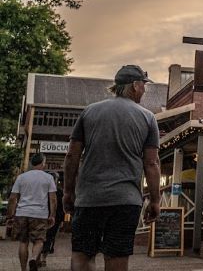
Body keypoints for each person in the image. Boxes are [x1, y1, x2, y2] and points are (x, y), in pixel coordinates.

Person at [63, 64, 162, 271]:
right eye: (144, 85)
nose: (144, 90)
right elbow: (151, 163)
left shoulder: (89, 112)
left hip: (89, 198)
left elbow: (72, 155)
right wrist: (155, 200)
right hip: (126, 202)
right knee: (116, 257)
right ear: (135, 86)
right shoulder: (147, 118)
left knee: (82, 254)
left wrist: (68, 192)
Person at [5, 153, 56, 271]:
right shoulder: (48, 178)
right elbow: (53, 199)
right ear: (43, 163)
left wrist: (10, 216)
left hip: (22, 213)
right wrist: (52, 215)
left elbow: (13, 198)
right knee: (39, 241)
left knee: (23, 242)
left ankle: (23, 269)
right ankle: (33, 258)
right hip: (40, 214)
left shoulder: (21, 177)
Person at [37, 172, 65, 268]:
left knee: (40, 236)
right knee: (50, 237)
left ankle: (38, 257)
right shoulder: (59, 191)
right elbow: (61, 208)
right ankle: (43, 258)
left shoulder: (43, 190)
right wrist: (62, 220)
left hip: (42, 216)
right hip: (54, 218)